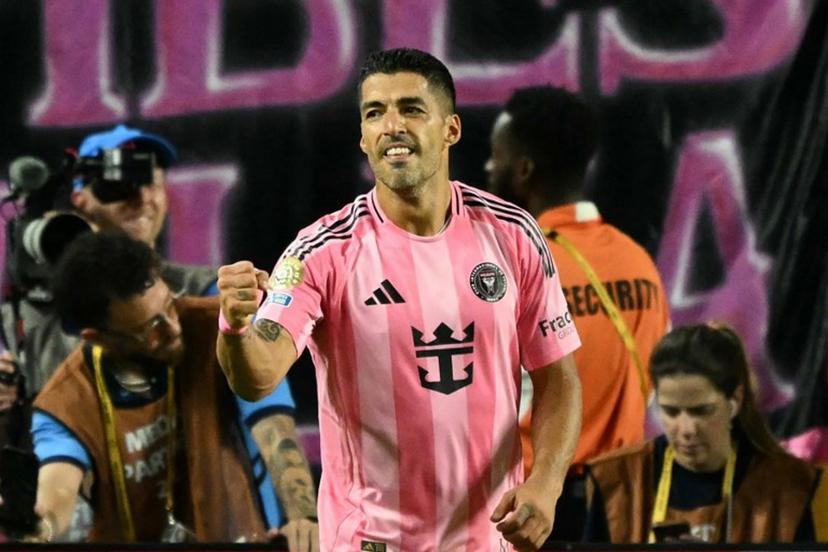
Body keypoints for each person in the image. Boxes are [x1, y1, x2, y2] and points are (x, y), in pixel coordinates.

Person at [216, 48, 583, 551]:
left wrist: (546, 486)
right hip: (371, 543)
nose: (391, 126)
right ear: (363, 139)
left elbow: (558, 377)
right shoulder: (320, 251)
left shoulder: (514, 234)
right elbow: (256, 378)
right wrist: (236, 327)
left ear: (450, 129)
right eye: (375, 113)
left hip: (489, 541)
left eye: (410, 108)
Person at [17, 232, 318, 547]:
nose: (173, 329)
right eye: (150, 329)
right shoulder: (64, 402)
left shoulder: (219, 329)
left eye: (169, 306)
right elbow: (58, 492)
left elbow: (274, 427)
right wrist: (38, 527)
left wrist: (304, 518)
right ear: (97, 337)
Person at [486, 85, 671, 540]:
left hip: (528, 512)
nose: (489, 168)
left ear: (523, 171)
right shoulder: (639, 263)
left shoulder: (511, 268)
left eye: (496, 157)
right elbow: (656, 384)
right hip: (625, 509)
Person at [584, 323, 821, 543]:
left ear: (735, 400)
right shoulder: (618, 480)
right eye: (671, 412)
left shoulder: (784, 487)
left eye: (701, 411)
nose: (686, 429)